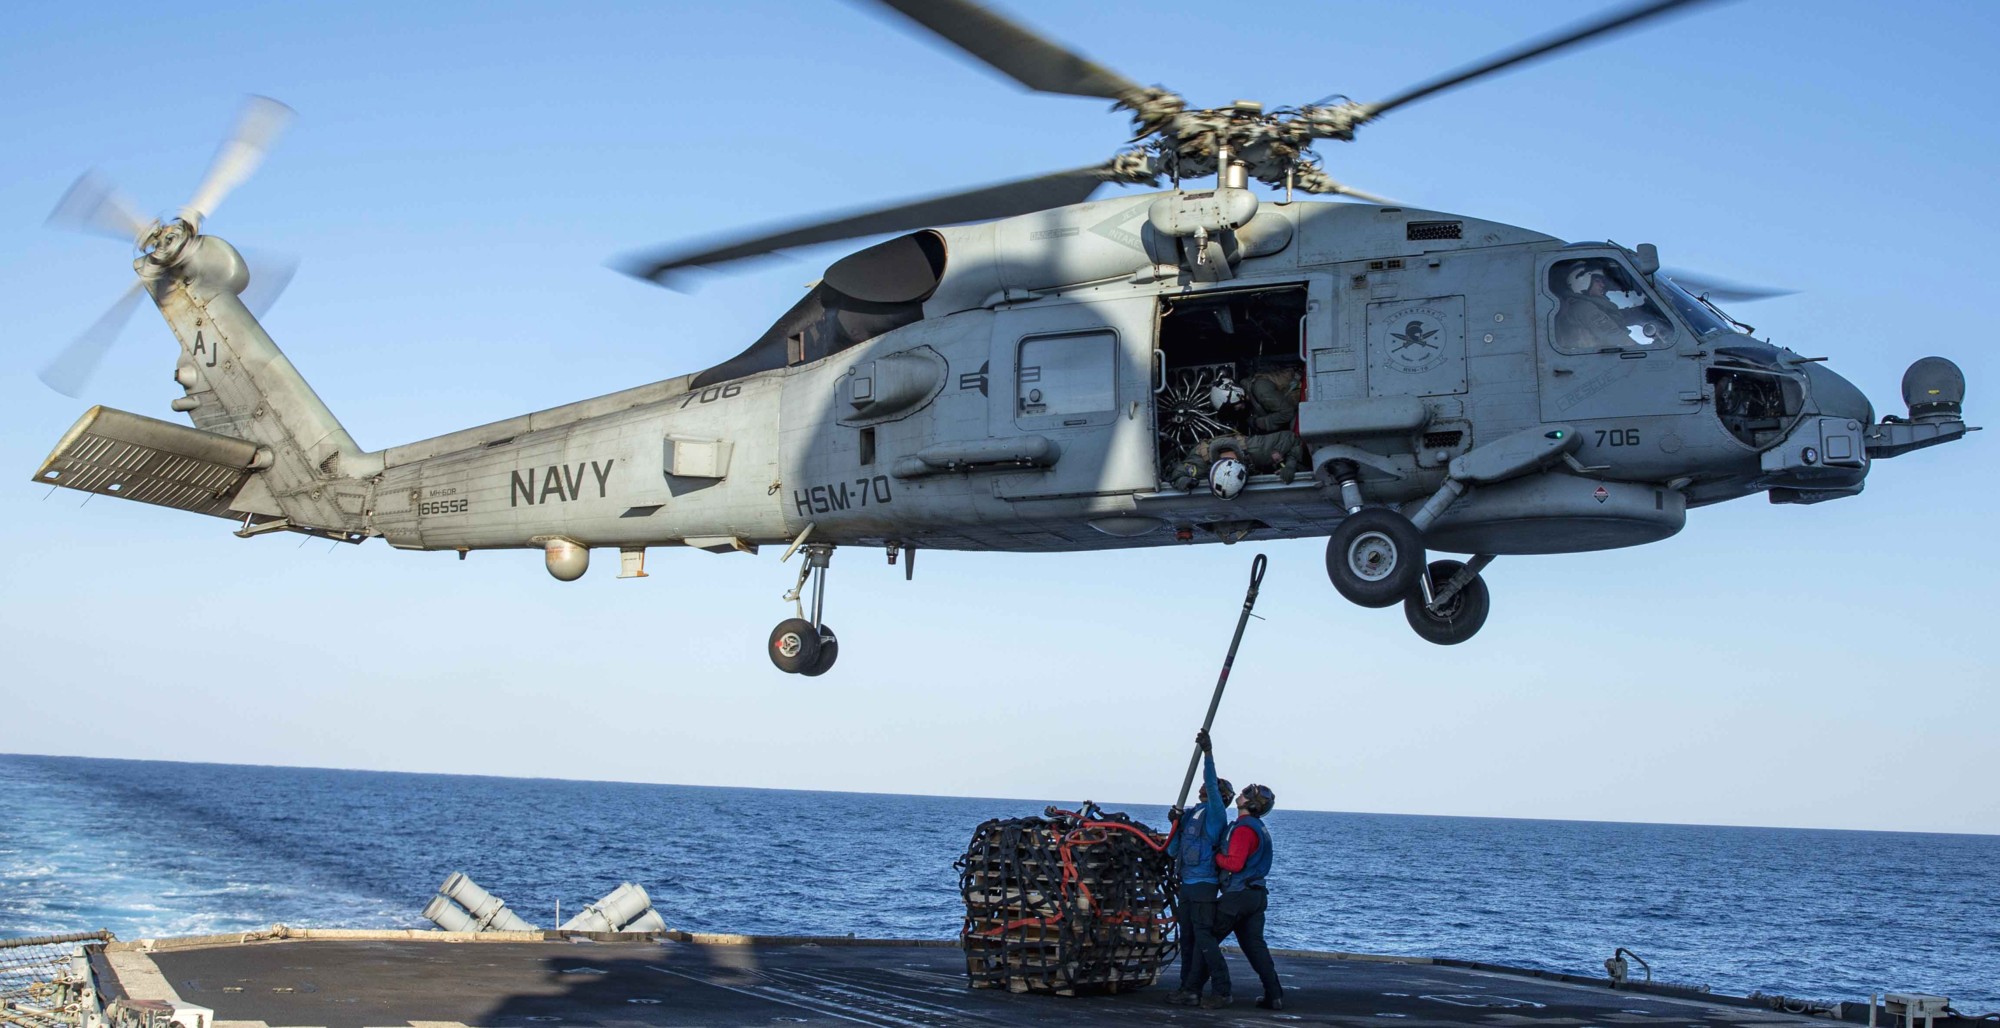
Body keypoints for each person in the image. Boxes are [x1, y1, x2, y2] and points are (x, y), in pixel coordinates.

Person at [1193, 773, 1283, 1010]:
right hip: (1256, 896)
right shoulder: (1260, 827)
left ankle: (1218, 992)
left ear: (1250, 804)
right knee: (1255, 947)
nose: (1240, 795)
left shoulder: (1243, 829)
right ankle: (1274, 995)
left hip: (1238, 895)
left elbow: (1234, 864)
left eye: (1245, 793)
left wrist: (1214, 856)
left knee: (1208, 939)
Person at [1164, 729, 1233, 1007]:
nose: (1207, 786)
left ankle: (1222, 989)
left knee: (1205, 939)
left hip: (1204, 886)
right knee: (1189, 940)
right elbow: (1172, 850)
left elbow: (1213, 786)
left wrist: (1208, 754)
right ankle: (1188, 989)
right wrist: (1175, 825)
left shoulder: (1217, 815)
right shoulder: (1192, 813)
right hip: (1187, 886)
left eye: (1215, 786)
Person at [1553, 260, 1673, 352]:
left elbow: (1618, 317)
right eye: (1597, 281)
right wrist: (1644, 350)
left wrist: (1642, 311)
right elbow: (1613, 335)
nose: (1602, 285)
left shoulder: (1589, 306)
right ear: (1582, 282)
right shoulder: (1584, 308)